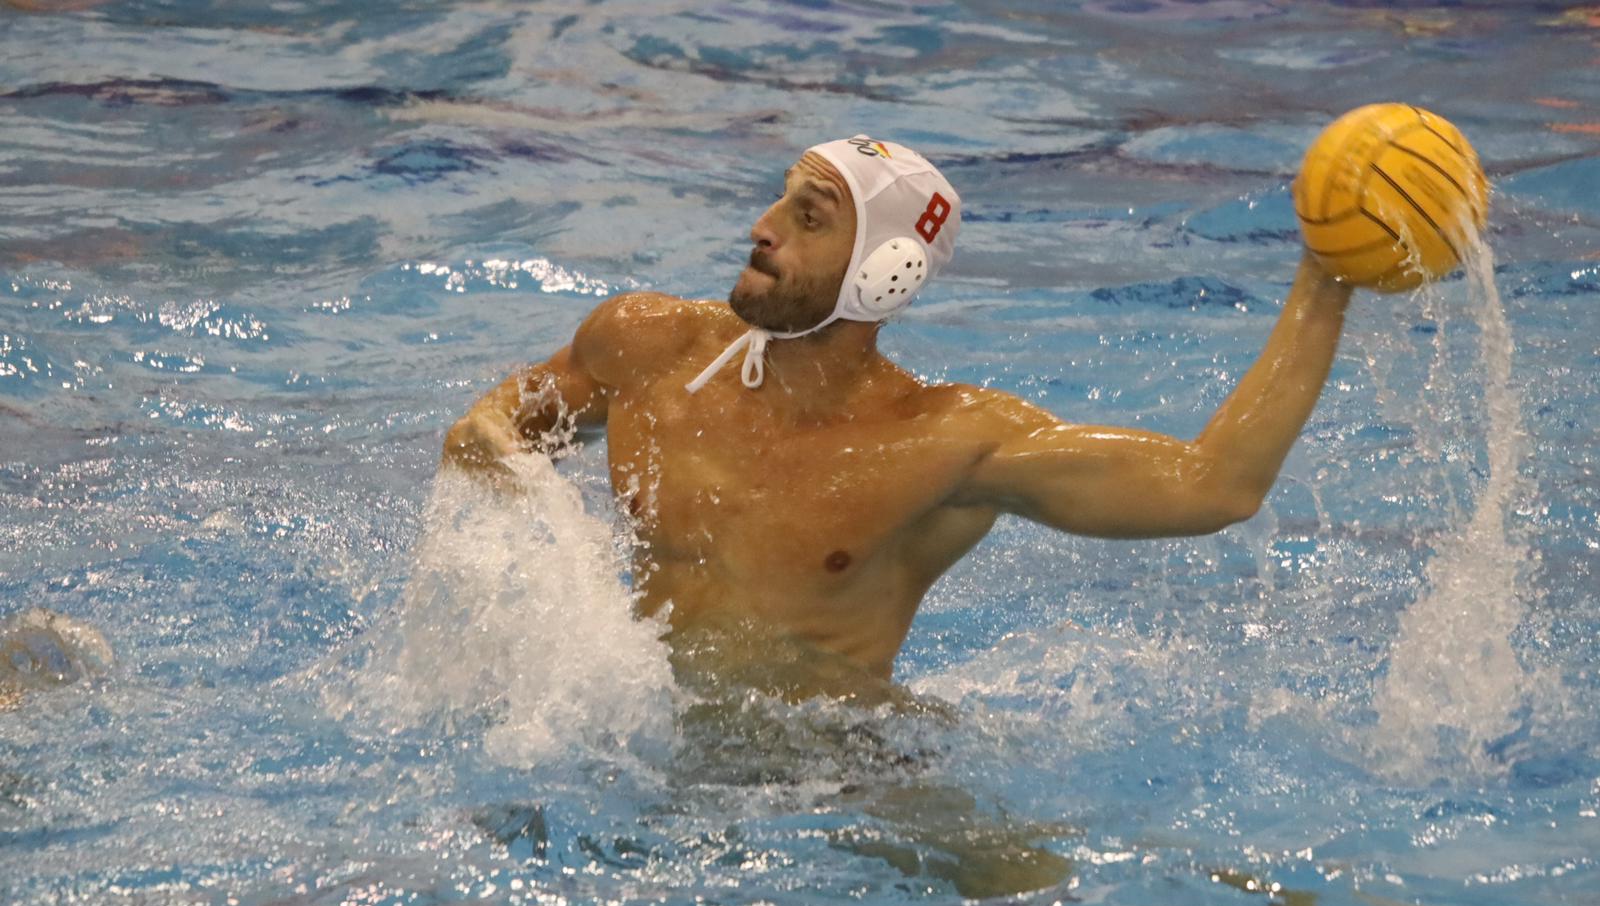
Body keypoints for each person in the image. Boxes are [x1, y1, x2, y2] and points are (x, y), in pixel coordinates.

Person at [442, 134, 1351, 699]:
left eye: (809, 215)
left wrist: (1324, 283)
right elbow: (501, 425)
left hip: (835, 773)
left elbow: (1215, 486)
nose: (763, 226)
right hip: (630, 737)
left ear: (884, 273)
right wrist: (492, 453)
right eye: (779, 198)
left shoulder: (947, 445)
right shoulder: (649, 347)